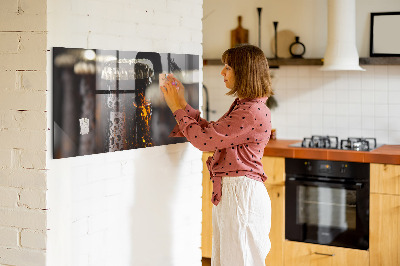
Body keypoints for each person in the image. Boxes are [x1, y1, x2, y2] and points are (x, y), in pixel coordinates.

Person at [160, 44, 273, 266]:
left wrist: (176, 107)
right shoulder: (246, 106)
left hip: (241, 195)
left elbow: (204, 141)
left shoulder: (250, 111)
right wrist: (182, 103)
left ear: (244, 71)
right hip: (235, 193)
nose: (222, 72)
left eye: (228, 67)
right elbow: (212, 133)